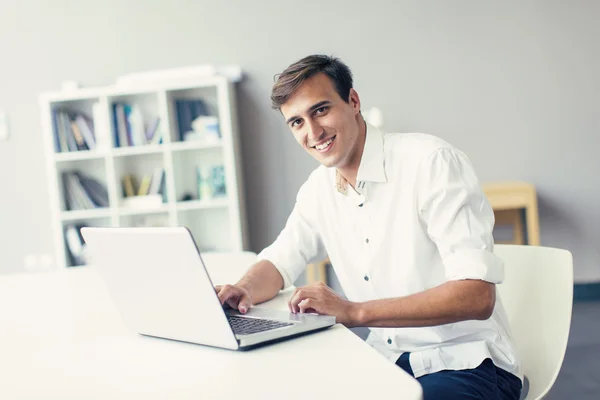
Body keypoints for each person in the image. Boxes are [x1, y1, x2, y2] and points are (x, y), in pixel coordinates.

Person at [216, 54, 522, 400]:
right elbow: (281, 259)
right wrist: (243, 289)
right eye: (297, 122)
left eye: (320, 110)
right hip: (386, 362)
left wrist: (354, 311)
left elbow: (476, 295)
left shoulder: (430, 162)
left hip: (468, 364)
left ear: (354, 101)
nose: (313, 132)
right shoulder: (319, 189)